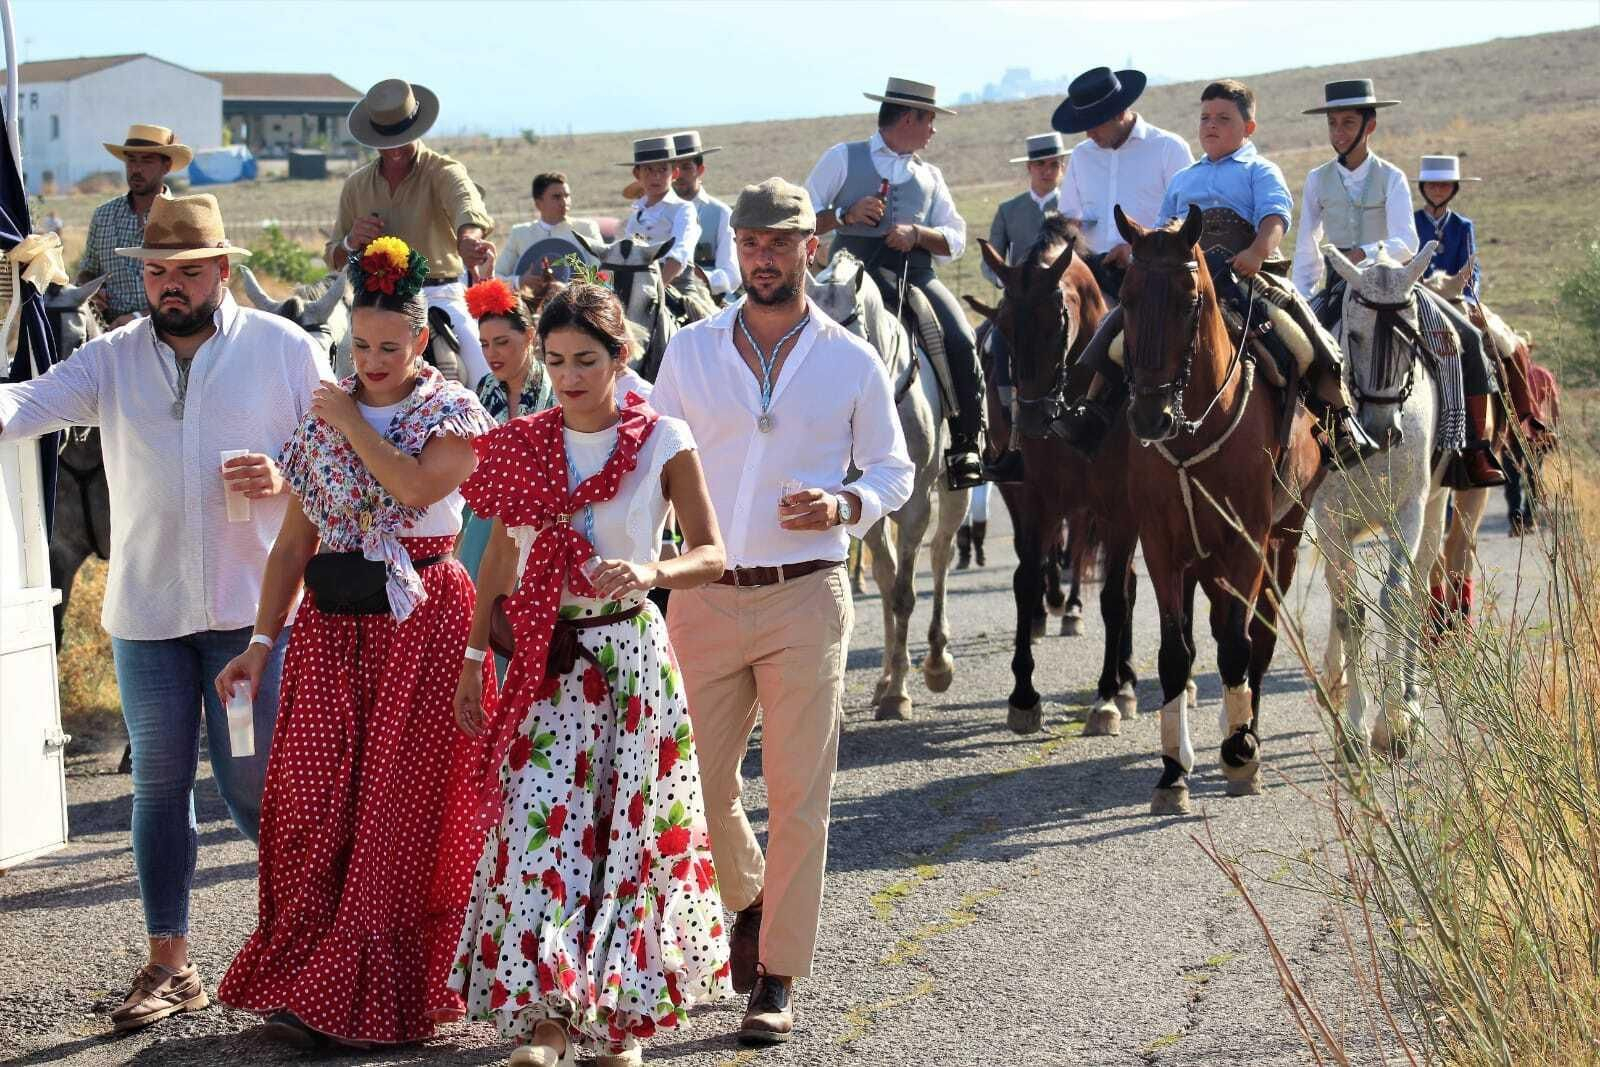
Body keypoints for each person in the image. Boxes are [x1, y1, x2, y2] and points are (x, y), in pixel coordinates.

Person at [0, 193, 327, 1032]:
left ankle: (314, 950)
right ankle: (171, 965)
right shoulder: (109, 359)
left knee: (257, 788)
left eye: (187, 271)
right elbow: (20, 409)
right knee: (158, 790)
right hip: (145, 615)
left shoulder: (285, 350)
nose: (170, 286)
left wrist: (287, 481)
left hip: (252, 616)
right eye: (156, 272)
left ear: (223, 269)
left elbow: (337, 459)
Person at [216, 237, 498, 1048]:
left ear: (419, 340)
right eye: (360, 345)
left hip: (421, 625)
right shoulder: (325, 414)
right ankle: (308, 975)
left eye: (388, 345)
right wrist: (262, 642)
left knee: (392, 816)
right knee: (306, 803)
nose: (370, 360)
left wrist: (349, 419)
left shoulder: (450, 412)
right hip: (331, 632)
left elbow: (415, 488)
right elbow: (291, 546)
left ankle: (367, 1003)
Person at [652, 178, 915, 1046]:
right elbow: (648, 458)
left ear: (811, 245)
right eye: (750, 241)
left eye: (780, 241)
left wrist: (845, 504)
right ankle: (750, 899)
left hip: (808, 593)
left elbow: (893, 468)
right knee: (690, 783)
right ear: (736, 247)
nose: (763, 255)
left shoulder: (851, 357)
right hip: (704, 595)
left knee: (800, 795)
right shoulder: (688, 352)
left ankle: (776, 974)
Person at [448, 282, 730, 1067]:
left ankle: (619, 1027)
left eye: (586, 361)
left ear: (620, 359)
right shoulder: (525, 441)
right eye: (556, 359)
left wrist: (650, 565)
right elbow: (501, 559)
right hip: (547, 660)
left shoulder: (662, 438)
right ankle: (547, 1024)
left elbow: (713, 552)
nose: (569, 376)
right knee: (540, 832)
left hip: (632, 662)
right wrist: (475, 659)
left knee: (627, 840)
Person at [1061, 79, 1376, 466]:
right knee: (1122, 325)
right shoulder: (1184, 178)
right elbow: (1164, 230)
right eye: (1205, 117)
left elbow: (1276, 217)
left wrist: (1258, 251)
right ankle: (1092, 412)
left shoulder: (1260, 171)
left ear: (1249, 128)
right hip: (1187, 278)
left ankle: (1338, 421)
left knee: (1299, 334)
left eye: (1224, 118)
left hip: (1245, 273)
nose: (1211, 125)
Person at [805, 77, 984, 490]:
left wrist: (918, 234)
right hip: (848, 278)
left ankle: (965, 444)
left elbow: (955, 238)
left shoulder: (930, 175)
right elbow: (800, 216)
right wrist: (845, 214)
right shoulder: (842, 158)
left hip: (914, 278)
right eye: (930, 121)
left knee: (960, 338)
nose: (933, 130)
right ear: (908, 117)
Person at [327, 79, 497, 387]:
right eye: (385, 141)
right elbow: (333, 256)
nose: (393, 150)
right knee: (335, 367)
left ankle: (492, 426)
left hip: (438, 296)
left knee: (485, 372)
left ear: (416, 130)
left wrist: (468, 238)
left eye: (401, 139)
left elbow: (466, 206)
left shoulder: (444, 171)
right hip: (373, 300)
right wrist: (351, 241)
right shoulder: (356, 185)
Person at [1051, 67, 1194, 302]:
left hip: (1156, 279)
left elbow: (1189, 219)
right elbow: (1070, 218)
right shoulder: (1081, 156)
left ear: (1119, 113)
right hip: (1094, 283)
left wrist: (1138, 249)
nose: (1089, 134)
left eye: (1094, 124)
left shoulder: (1169, 149)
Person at [979, 131, 1072, 482]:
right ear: (1029, 169)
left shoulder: (1073, 207)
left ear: (1062, 167)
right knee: (991, 345)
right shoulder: (1009, 210)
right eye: (1040, 165)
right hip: (1017, 307)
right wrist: (1008, 282)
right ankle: (1002, 430)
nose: (1047, 171)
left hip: (1058, 305)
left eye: (1054, 164)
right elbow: (990, 261)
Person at [1413, 153, 1507, 486]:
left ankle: (1513, 424)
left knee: (1500, 343)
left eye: (1444, 184)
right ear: (1423, 188)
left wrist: (1468, 295)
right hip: (1420, 299)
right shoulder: (1412, 222)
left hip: (1457, 300)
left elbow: (1473, 268)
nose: (1437, 189)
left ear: (1453, 189)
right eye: (1432, 184)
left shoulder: (1463, 226)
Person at [457, 276, 555, 586]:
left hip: (538, 520)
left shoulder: (555, 387)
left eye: (502, 342)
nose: (491, 353)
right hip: (484, 519)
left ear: (529, 336)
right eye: (485, 344)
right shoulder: (485, 387)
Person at [76, 123, 190, 326]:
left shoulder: (182, 218)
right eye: (131, 160)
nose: (136, 169)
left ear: (167, 166)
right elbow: (88, 271)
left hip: (170, 330)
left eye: (146, 161)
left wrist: (137, 318)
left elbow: (191, 288)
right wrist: (91, 294)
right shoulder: (103, 216)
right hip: (109, 332)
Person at [615, 136, 700, 287]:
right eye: (648, 169)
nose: (656, 176)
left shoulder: (684, 209)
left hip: (676, 285)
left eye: (663, 169)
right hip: (637, 285)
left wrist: (656, 288)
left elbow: (679, 254)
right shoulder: (636, 213)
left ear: (674, 173)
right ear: (637, 174)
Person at [494, 172, 605, 286]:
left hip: (577, 301)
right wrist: (520, 281)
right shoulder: (520, 234)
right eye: (556, 197)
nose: (564, 202)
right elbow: (497, 277)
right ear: (538, 203)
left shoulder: (586, 229)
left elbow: (602, 274)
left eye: (567, 196)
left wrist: (570, 287)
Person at [669, 130, 741, 303]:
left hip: (710, 300)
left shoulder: (721, 213)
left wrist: (701, 278)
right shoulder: (652, 214)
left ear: (700, 170)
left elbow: (732, 274)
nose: (679, 175)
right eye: (673, 168)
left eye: (686, 167)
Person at [956, 483, 988, 569]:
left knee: (980, 504)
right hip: (959, 470)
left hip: (982, 471)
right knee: (961, 507)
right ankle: (964, 554)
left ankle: (979, 546)